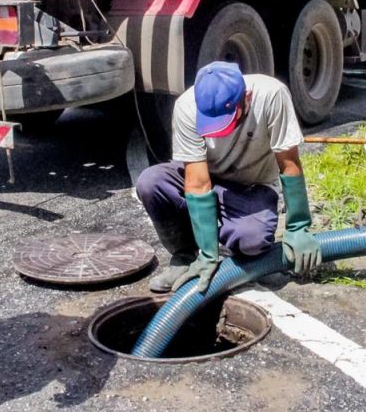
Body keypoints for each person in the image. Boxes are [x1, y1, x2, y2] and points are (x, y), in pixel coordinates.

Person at [136, 61, 322, 293]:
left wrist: (298, 227)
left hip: (251, 185)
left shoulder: (272, 95)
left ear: (247, 97)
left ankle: (231, 238)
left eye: (227, 119)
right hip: (208, 177)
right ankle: (184, 255)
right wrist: (208, 254)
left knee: (252, 240)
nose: (221, 130)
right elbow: (197, 181)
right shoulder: (187, 106)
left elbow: (289, 163)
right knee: (150, 182)